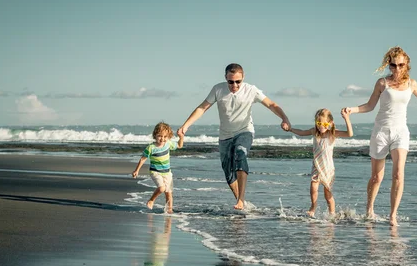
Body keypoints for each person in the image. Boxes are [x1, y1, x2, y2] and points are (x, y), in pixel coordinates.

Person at [343, 46, 417, 226]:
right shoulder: (382, 83)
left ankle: (393, 215)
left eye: (401, 65)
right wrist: (352, 110)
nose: (397, 69)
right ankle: (369, 209)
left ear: (407, 64)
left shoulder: (412, 83)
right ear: (389, 65)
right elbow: (370, 106)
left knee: (398, 174)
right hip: (381, 131)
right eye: (393, 65)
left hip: (400, 132)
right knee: (377, 177)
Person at [177, 63, 291, 210]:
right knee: (228, 174)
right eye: (231, 81)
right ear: (226, 78)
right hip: (225, 136)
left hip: (245, 131)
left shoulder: (251, 90)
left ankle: (241, 199)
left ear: (243, 78)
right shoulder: (218, 89)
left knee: (240, 154)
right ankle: (241, 201)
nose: (234, 85)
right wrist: (185, 126)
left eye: (238, 81)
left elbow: (271, 105)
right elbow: (202, 108)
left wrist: (285, 119)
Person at [288, 108, 353, 217]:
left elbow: (349, 134)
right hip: (317, 165)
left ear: (330, 123)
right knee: (313, 188)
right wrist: (290, 129)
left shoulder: (332, 134)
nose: (321, 126)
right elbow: (302, 132)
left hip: (328, 167)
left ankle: (332, 213)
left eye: (324, 124)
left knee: (327, 194)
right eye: (318, 123)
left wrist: (346, 118)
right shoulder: (314, 132)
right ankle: (313, 207)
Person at [132, 122, 184, 213]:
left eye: (165, 136)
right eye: (160, 136)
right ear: (155, 135)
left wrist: (181, 137)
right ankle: (152, 200)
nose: (162, 139)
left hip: (167, 173)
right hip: (155, 172)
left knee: (169, 192)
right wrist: (137, 170)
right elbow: (143, 159)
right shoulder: (151, 147)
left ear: (168, 137)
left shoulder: (168, 144)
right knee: (161, 188)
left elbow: (179, 145)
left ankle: (169, 210)